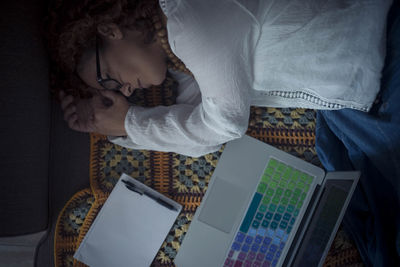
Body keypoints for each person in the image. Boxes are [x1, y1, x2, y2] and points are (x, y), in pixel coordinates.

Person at [53, 0, 399, 265]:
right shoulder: (178, 58)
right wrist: (121, 123)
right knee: (368, 221)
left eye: (107, 80)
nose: (125, 91)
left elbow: (224, 123)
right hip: (347, 95)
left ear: (110, 31)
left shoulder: (193, 20)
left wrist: (130, 123)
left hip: (382, 54)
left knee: (378, 224)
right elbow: (202, 138)